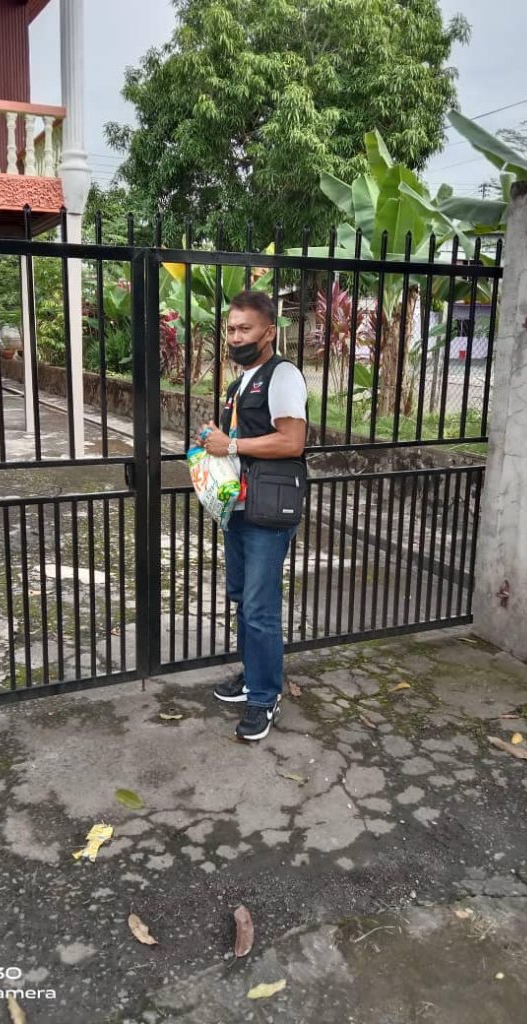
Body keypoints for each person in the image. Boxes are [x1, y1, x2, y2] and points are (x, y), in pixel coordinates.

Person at [199, 290, 307, 741]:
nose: (236, 337)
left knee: (261, 607)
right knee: (244, 599)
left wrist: (231, 444)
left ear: (269, 332)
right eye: (231, 329)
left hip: (269, 509)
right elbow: (237, 441)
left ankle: (264, 697)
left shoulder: (283, 376)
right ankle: (251, 677)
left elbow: (292, 441)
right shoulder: (239, 383)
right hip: (240, 506)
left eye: (245, 329)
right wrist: (215, 440)